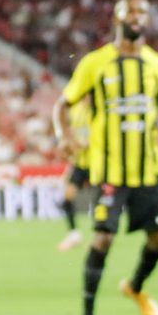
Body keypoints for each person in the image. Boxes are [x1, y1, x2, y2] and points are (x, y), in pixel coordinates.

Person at [53, 0, 158, 315]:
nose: (137, 16)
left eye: (142, 11)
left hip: (148, 170)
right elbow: (62, 105)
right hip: (109, 170)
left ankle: (135, 287)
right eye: (130, 11)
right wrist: (64, 136)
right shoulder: (95, 63)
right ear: (117, 17)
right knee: (102, 239)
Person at [56, 104, 94, 251]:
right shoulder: (75, 109)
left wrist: (85, 144)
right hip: (80, 164)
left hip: (97, 164)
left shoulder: (98, 108)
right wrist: (68, 143)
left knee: (100, 203)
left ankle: (98, 237)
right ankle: (74, 235)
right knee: (67, 198)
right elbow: (72, 133)